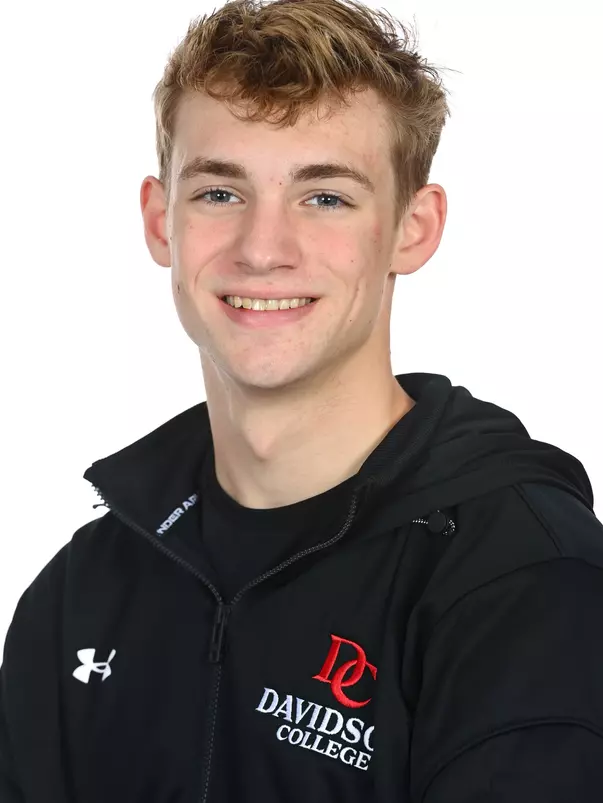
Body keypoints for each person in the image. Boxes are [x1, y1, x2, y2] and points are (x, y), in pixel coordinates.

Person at [2, 0, 603, 800]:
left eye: (325, 197)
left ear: (411, 229)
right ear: (159, 221)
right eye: (219, 192)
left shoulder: (524, 584)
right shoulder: (82, 592)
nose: (262, 249)